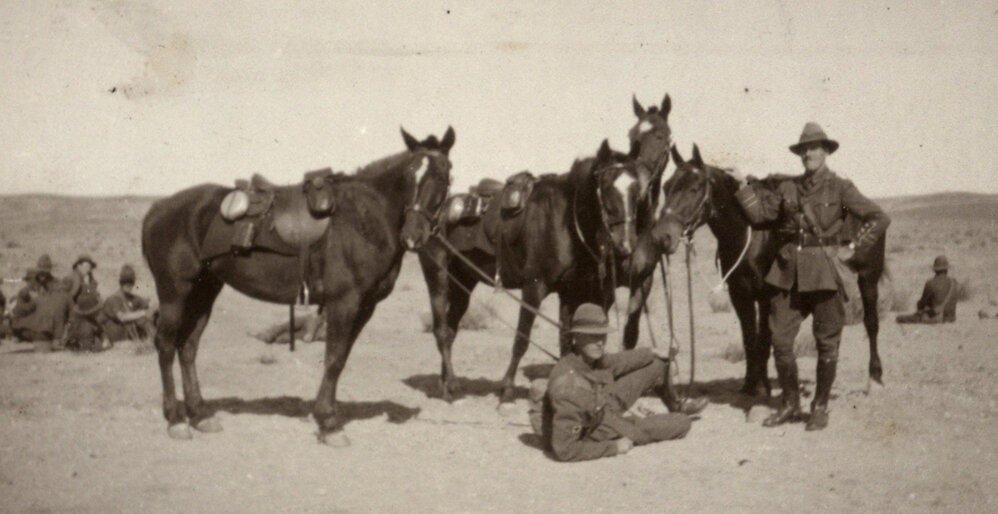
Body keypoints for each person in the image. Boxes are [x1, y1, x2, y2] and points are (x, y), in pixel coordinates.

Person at [726, 122, 890, 431]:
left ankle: (820, 406)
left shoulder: (841, 187)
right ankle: (790, 403)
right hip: (789, 273)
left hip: (825, 272)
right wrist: (741, 186)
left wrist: (852, 248)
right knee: (779, 338)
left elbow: (879, 218)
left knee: (827, 341)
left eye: (814, 148)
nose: (808, 154)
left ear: (826, 151)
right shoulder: (788, 188)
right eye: (804, 149)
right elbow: (759, 215)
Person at [540, 303, 707, 462]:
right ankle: (671, 416)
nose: (600, 342)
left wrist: (652, 352)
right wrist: (613, 447)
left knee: (657, 365)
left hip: (602, 405)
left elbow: (620, 361)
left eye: (602, 335)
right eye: (593, 336)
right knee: (682, 423)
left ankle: (676, 403)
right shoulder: (569, 386)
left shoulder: (586, 359)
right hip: (596, 428)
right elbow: (565, 450)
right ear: (576, 337)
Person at [10, 257, 72, 348]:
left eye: (45, 272)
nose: (42, 275)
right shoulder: (32, 282)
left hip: (50, 315)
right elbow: (22, 299)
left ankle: (56, 338)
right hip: (34, 313)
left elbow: (60, 298)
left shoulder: (55, 282)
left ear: (49, 271)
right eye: (41, 271)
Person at [100, 265, 155, 343]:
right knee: (141, 318)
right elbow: (122, 317)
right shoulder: (114, 298)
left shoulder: (132, 298)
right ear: (121, 284)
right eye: (125, 283)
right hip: (116, 334)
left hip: (127, 332)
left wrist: (151, 309)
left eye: (131, 283)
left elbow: (146, 305)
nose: (129, 286)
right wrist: (143, 313)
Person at [896, 255, 958, 324]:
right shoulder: (954, 282)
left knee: (900, 318)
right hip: (951, 317)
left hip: (937, 318)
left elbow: (922, 304)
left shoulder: (931, 283)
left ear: (935, 270)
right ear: (947, 269)